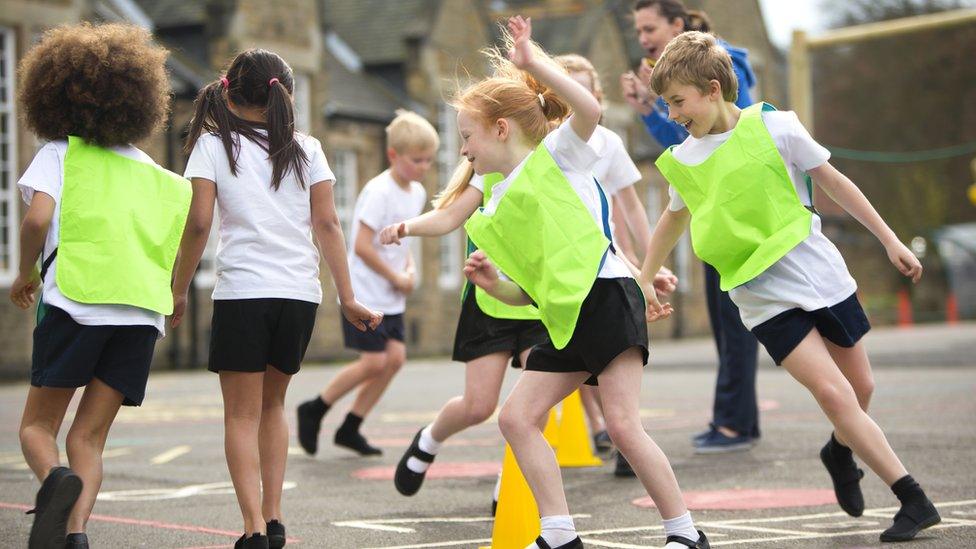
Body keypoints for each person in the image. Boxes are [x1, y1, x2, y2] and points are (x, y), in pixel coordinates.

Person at [638, 31, 940, 543]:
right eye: (666, 104)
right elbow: (671, 221)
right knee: (833, 391)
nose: (672, 114)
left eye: (677, 101)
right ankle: (913, 497)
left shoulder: (776, 127)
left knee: (860, 390)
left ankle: (839, 452)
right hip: (761, 294)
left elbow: (835, 181)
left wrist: (890, 241)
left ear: (713, 89)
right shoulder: (684, 160)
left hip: (819, 272)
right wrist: (644, 278)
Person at [460, 16, 709, 549]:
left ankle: (685, 534)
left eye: (466, 136)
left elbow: (590, 110)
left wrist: (533, 63)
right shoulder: (498, 203)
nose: (461, 150)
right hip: (565, 315)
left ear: (502, 129)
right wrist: (489, 284)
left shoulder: (555, 155)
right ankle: (559, 533)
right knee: (517, 418)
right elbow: (527, 293)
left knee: (622, 426)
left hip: (606, 296)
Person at [173, 49, 382, 549]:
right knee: (274, 407)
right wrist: (347, 298)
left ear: (230, 91)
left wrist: (178, 289)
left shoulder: (212, 145)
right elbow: (328, 224)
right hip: (299, 295)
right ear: (283, 93)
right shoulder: (308, 148)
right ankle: (275, 516)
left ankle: (253, 529)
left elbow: (199, 223)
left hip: (245, 291)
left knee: (241, 415)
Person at [11, 23, 191, 549]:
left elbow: (35, 220)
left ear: (53, 98)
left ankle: (55, 481)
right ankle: (76, 535)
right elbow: (171, 241)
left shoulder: (61, 155)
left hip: (76, 303)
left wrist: (24, 274)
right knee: (88, 436)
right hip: (139, 318)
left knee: (36, 429)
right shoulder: (158, 174)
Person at [620, 0, 761, 454]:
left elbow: (722, 135)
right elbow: (685, 142)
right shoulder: (664, 81)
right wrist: (648, 110)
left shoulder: (726, 61)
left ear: (677, 24)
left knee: (738, 320)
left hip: (738, 211)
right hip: (707, 209)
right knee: (725, 321)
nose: (643, 38)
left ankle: (736, 423)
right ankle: (733, 419)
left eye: (650, 28)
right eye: (638, 30)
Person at [554, 53, 677, 477]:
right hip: (567, 264)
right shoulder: (547, 144)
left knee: (612, 354)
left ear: (596, 95)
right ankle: (602, 426)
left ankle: (619, 431)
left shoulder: (608, 143)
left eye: (584, 88)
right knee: (582, 353)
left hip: (611, 257)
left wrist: (651, 263)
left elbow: (632, 207)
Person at [296, 110, 436, 457]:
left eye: (429, 160)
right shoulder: (379, 191)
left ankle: (351, 426)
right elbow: (360, 245)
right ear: (393, 155)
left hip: (393, 293)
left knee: (396, 359)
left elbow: (407, 243)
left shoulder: (416, 193)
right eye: (416, 160)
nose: (423, 167)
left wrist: (411, 271)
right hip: (367, 293)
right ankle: (315, 408)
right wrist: (394, 277)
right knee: (374, 362)